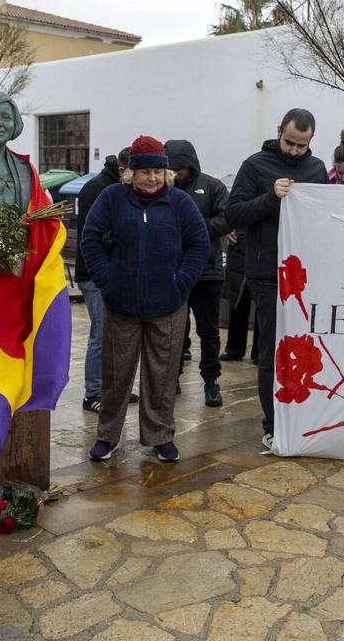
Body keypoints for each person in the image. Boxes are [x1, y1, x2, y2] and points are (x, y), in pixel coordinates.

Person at [81, 136, 209, 463]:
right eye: (145, 172)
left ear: (167, 172)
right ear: (131, 174)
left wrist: (181, 282)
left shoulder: (180, 203)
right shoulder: (112, 198)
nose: (152, 178)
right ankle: (107, 436)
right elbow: (90, 238)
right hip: (120, 305)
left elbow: (199, 243)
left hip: (168, 306)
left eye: (158, 171)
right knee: (115, 375)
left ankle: (160, 436)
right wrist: (107, 280)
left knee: (162, 377)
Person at [225, 109, 328, 448]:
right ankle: (272, 424)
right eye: (289, 143)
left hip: (306, 272)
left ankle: (303, 416)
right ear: (279, 131)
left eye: (302, 145)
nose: (295, 151)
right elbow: (234, 213)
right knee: (271, 349)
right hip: (267, 272)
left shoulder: (316, 169)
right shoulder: (255, 165)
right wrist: (270, 197)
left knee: (306, 347)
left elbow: (327, 214)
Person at [166, 139, 230, 407]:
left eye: (179, 169)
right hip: (174, 273)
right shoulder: (164, 189)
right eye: (172, 169)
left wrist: (194, 226)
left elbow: (226, 219)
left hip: (208, 273)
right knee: (174, 332)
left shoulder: (213, 187)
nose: (175, 174)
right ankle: (172, 377)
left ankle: (211, 381)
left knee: (209, 332)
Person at [75, 148, 138, 413]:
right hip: (95, 275)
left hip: (117, 273)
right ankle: (93, 392)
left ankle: (114, 390)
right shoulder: (96, 188)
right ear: (123, 170)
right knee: (100, 335)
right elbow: (93, 237)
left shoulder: (122, 188)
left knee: (117, 336)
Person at [219, 229, 260, 363]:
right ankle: (234, 348)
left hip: (265, 247)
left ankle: (260, 352)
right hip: (240, 246)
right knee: (238, 301)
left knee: (263, 306)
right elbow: (223, 216)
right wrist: (226, 228)